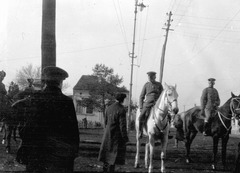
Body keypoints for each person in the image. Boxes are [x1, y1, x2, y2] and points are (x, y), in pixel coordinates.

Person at [13, 66, 80, 172]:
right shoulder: (66, 101)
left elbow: (27, 127)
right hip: (59, 155)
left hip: (36, 153)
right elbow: (73, 131)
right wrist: (74, 150)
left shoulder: (34, 98)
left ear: (45, 81)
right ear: (60, 82)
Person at [98, 93, 129, 173]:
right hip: (116, 136)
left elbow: (105, 122)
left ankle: (104, 169)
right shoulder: (122, 110)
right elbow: (123, 126)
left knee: (106, 154)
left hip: (107, 134)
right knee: (113, 156)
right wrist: (125, 138)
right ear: (122, 99)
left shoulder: (108, 108)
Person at [138, 71, 163, 137]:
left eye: (151, 77)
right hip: (148, 104)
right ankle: (140, 131)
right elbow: (141, 96)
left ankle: (165, 131)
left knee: (166, 115)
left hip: (157, 105)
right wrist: (141, 107)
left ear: (154, 77)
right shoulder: (146, 85)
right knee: (141, 117)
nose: (150, 78)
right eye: (149, 77)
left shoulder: (159, 85)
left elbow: (162, 95)